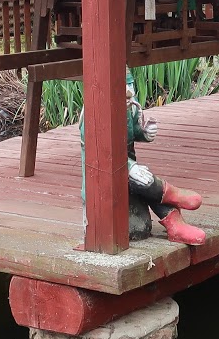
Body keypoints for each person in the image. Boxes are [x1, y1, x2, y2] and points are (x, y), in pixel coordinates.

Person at [80, 73, 206, 245]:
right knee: (144, 184)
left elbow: (133, 130)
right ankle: (169, 198)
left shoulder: (128, 108)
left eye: (131, 85)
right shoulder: (94, 114)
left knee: (141, 224)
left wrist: (145, 133)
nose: (129, 92)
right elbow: (101, 152)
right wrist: (130, 167)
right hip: (104, 180)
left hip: (127, 171)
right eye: (123, 86)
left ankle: (174, 219)